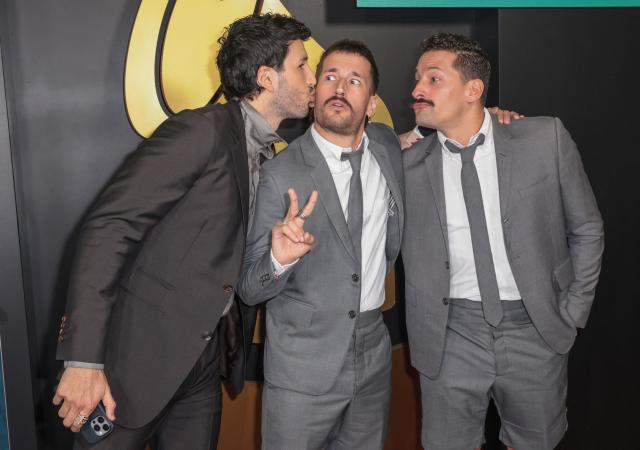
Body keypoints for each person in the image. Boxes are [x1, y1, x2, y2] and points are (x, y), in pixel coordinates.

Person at [52, 13, 315, 449]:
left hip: (204, 364)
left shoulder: (270, 155)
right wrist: (84, 360)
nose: (312, 76)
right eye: (302, 65)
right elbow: (110, 226)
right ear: (267, 77)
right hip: (132, 364)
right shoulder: (200, 131)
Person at [401, 33, 604, 450]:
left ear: (473, 89)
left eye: (433, 79)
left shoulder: (544, 139)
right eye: (417, 78)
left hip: (536, 328)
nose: (417, 89)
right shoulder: (403, 165)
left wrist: (571, 311)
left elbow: (587, 229)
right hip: (449, 336)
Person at [238, 39, 403, 450]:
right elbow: (249, 287)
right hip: (301, 368)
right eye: (329, 77)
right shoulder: (279, 173)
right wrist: (278, 258)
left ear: (372, 104)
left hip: (373, 357)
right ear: (313, 95)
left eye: (354, 80)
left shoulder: (387, 147)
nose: (339, 88)